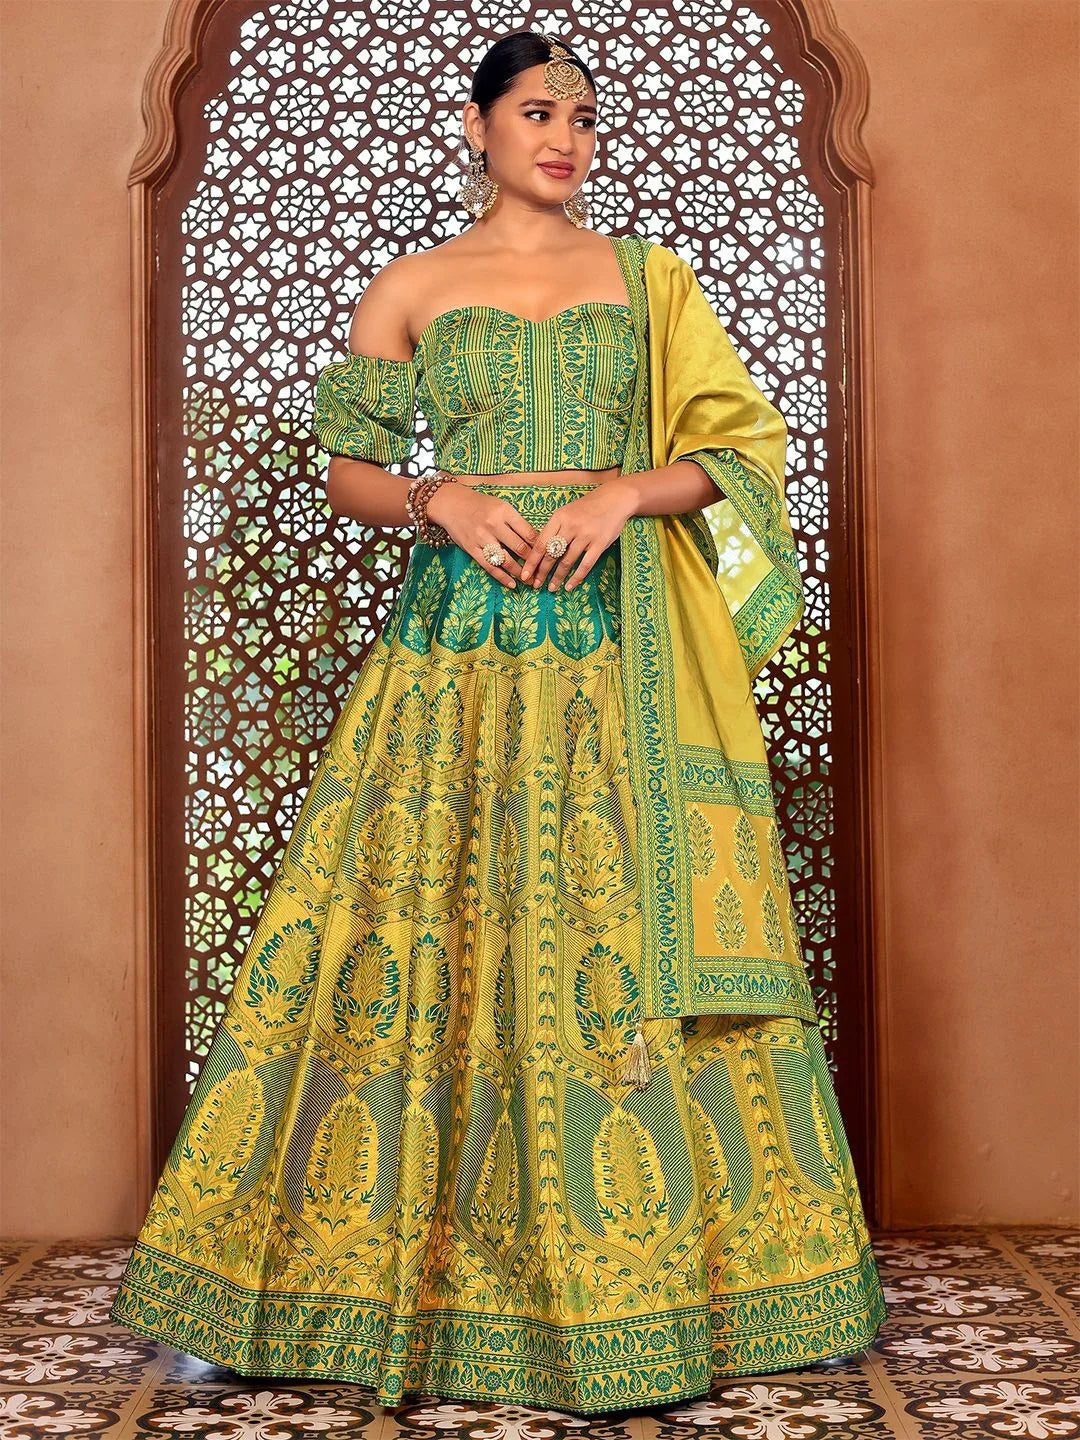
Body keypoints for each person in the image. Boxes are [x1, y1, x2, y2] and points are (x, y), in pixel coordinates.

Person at [111, 28, 886, 1417]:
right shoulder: (409, 288)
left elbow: (738, 447)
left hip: (614, 655)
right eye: (538, 111)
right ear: (475, 125)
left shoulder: (652, 282)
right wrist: (441, 500)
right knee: (415, 935)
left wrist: (615, 497)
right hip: (453, 654)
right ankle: (333, 1285)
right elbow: (350, 472)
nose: (567, 138)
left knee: (612, 933)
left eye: (585, 117)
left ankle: (712, 1284)